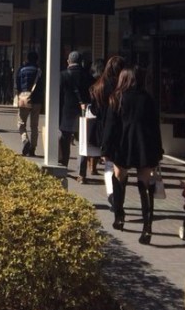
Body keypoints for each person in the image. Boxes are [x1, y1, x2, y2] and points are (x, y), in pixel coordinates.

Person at [102, 65, 163, 242]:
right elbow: (155, 126)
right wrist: (158, 150)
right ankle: (147, 227)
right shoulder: (148, 99)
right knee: (145, 183)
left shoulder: (117, 98)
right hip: (145, 145)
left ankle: (119, 216)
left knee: (119, 176)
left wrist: (106, 149)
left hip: (123, 144)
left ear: (123, 79)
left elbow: (110, 126)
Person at [58, 51, 91, 170]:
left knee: (65, 140)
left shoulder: (62, 75)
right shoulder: (87, 76)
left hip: (66, 112)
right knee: (82, 142)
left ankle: (64, 165)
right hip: (83, 112)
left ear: (68, 61)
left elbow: (59, 96)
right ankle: (81, 172)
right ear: (81, 62)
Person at [15, 51, 44, 156]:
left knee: (21, 123)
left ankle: (25, 140)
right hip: (37, 100)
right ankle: (33, 148)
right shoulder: (39, 71)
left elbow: (17, 85)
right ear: (37, 60)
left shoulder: (21, 69)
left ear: (27, 58)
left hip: (25, 98)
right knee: (34, 126)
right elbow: (42, 85)